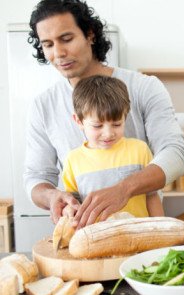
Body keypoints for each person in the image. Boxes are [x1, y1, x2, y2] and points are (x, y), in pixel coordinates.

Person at [25, 0, 184, 227]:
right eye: (48, 44)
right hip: (88, 233)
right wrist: (52, 196)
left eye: (67, 39)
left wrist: (124, 189)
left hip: (142, 228)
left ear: (90, 35)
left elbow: (176, 154)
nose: (59, 53)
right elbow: (37, 176)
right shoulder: (43, 106)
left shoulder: (144, 87)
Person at [62, 75, 164, 219]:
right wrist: (68, 210)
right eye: (97, 126)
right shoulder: (73, 160)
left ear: (125, 117)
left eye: (116, 124)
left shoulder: (140, 150)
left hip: (140, 236)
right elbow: (73, 204)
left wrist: (161, 229)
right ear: (79, 121)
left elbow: (152, 196)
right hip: (97, 238)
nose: (108, 134)